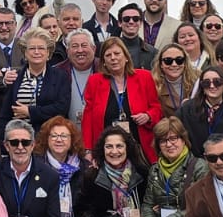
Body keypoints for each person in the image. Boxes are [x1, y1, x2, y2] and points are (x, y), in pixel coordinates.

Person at [81, 35, 164, 163]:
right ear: (103, 61)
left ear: (126, 57)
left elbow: (156, 108)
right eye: (108, 55)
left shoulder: (145, 77)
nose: (113, 58)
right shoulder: (94, 81)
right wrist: (88, 150)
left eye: (117, 53)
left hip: (140, 148)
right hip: (108, 150)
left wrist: (148, 116)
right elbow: (88, 117)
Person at [35, 116, 88, 217]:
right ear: (46, 139)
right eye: (54, 136)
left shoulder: (83, 167)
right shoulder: (36, 166)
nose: (59, 140)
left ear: (72, 141)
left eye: (64, 136)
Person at [0, 28, 69, 137]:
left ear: (48, 53)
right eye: (32, 48)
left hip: (49, 137)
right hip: (20, 138)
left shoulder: (60, 76)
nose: (36, 52)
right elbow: (5, 114)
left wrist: (30, 112)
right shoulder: (15, 77)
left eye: (41, 48)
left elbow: (61, 108)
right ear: (25, 53)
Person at [179, 66, 223, 160]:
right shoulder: (187, 109)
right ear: (202, 87)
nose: (212, 86)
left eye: (217, 82)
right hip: (193, 163)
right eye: (206, 83)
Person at [59, 29, 99, 128]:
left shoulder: (104, 69)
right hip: (67, 132)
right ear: (67, 51)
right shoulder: (57, 72)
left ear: (94, 49)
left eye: (84, 45)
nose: (80, 50)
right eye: (75, 46)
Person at [153, 44, 200, 121]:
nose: (174, 64)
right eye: (168, 61)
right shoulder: (153, 83)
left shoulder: (198, 79)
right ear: (161, 64)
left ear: (185, 62)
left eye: (179, 60)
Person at [115, 3, 159, 71]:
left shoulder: (152, 52)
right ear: (119, 23)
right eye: (126, 19)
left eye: (135, 19)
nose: (131, 22)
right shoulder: (110, 50)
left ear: (140, 23)